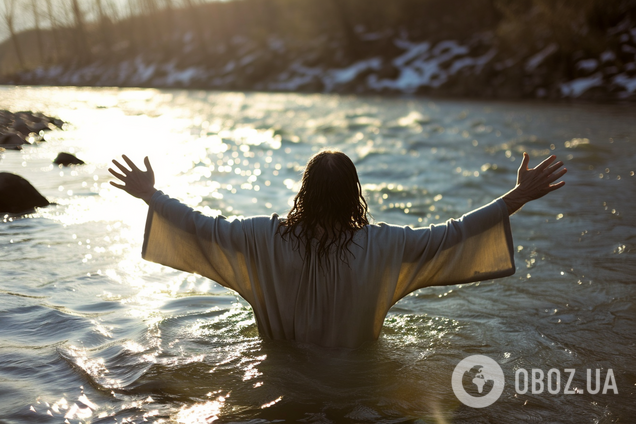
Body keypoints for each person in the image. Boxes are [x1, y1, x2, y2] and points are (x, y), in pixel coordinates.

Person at [109, 150, 566, 348]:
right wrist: (516, 197)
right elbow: (453, 233)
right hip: (359, 383)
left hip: (278, 375)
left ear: (304, 191)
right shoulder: (384, 244)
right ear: (354, 194)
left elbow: (199, 227)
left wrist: (152, 195)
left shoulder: (261, 238)